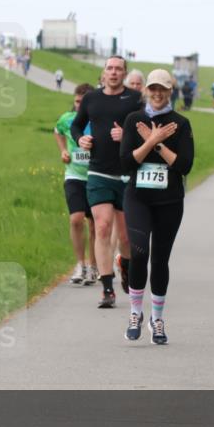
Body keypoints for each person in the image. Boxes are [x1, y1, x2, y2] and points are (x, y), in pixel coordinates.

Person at [119, 69, 194, 345]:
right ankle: (136, 312)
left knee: (160, 259)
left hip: (170, 201)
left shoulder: (181, 123)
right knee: (139, 254)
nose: (158, 93)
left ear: (170, 91)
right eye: (153, 89)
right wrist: (150, 139)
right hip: (138, 197)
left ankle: (157, 318)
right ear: (146, 91)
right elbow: (126, 162)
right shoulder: (134, 120)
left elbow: (185, 165)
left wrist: (159, 145)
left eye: (163, 88)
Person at [71, 55, 145, 308]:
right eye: (109, 68)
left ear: (124, 74)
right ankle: (106, 288)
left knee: (125, 238)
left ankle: (125, 263)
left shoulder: (136, 100)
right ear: (103, 72)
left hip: (127, 175)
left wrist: (128, 135)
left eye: (118, 69)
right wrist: (81, 139)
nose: (113, 73)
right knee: (102, 227)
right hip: (98, 172)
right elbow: (76, 126)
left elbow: (148, 132)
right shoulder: (92, 99)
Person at [55, 83, 98, 285]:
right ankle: (80, 264)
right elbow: (57, 130)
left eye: (84, 102)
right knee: (76, 219)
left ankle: (94, 265)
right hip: (74, 175)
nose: (80, 105)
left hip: (96, 176)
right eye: (77, 101)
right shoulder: (67, 119)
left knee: (95, 224)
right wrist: (63, 150)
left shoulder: (98, 119)